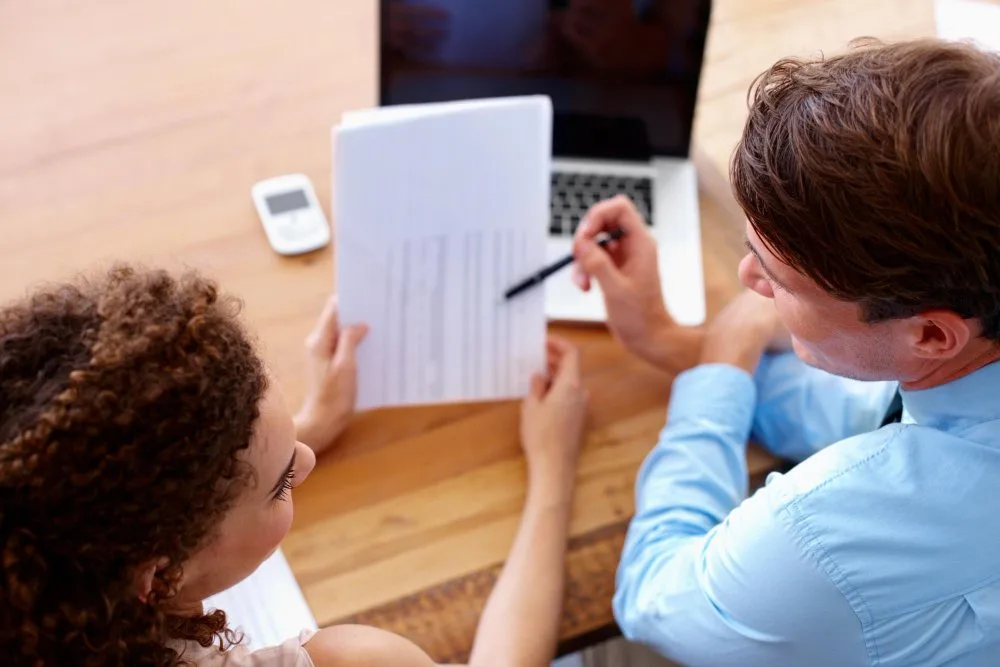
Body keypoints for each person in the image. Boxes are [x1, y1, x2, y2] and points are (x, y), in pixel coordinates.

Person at [572, 39, 1000, 666]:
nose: (747, 276)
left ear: (932, 335)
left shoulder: (824, 539)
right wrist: (682, 348)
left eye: (779, 277)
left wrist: (718, 365)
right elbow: (864, 408)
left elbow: (655, 599)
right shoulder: (969, 341)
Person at [0, 264, 588, 666]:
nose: (305, 461)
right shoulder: (353, 662)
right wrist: (553, 470)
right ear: (158, 578)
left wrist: (296, 427)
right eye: (283, 479)